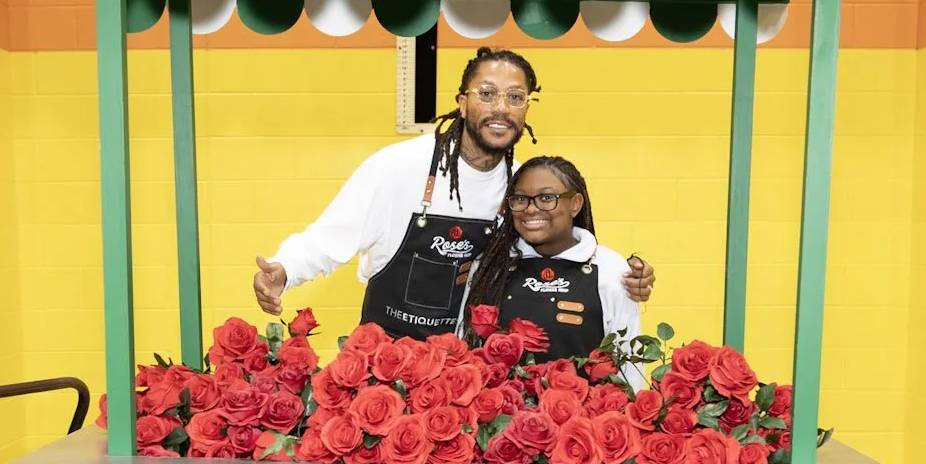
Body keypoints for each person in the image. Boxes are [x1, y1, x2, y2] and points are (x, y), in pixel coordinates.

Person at [253, 47, 654, 338]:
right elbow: (327, 238)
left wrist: (622, 277)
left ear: (526, 109)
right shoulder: (397, 167)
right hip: (384, 359)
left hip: (464, 373)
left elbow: (554, 254)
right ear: (462, 103)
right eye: (487, 93)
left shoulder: (520, 189)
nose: (501, 107)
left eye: (515, 97)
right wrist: (284, 270)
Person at [461, 155, 643, 382]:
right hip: (503, 405)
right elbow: (466, 349)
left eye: (546, 198)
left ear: (575, 204)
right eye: (520, 199)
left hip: (587, 406)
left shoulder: (610, 268)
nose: (530, 209)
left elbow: (629, 367)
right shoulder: (490, 267)